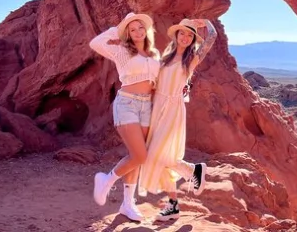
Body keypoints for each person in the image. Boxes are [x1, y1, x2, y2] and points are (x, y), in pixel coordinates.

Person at [138, 18, 218, 221]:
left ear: (192, 40)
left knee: (158, 154)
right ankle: (173, 204)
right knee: (160, 159)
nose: (185, 37)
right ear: (176, 35)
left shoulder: (190, 60)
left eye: (190, 35)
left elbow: (212, 37)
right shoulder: (166, 57)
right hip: (157, 108)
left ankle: (193, 170)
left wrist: (206, 22)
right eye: (182, 33)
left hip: (173, 109)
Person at [88, 12, 160, 221]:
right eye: (132, 29)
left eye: (140, 27)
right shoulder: (121, 51)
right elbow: (95, 43)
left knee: (135, 156)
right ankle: (106, 180)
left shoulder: (154, 54)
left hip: (146, 106)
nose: (137, 32)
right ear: (127, 33)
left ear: (146, 30)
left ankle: (127, 204)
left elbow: (159, 81)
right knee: (140, 156)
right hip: (127, 103)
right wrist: (116, 30)